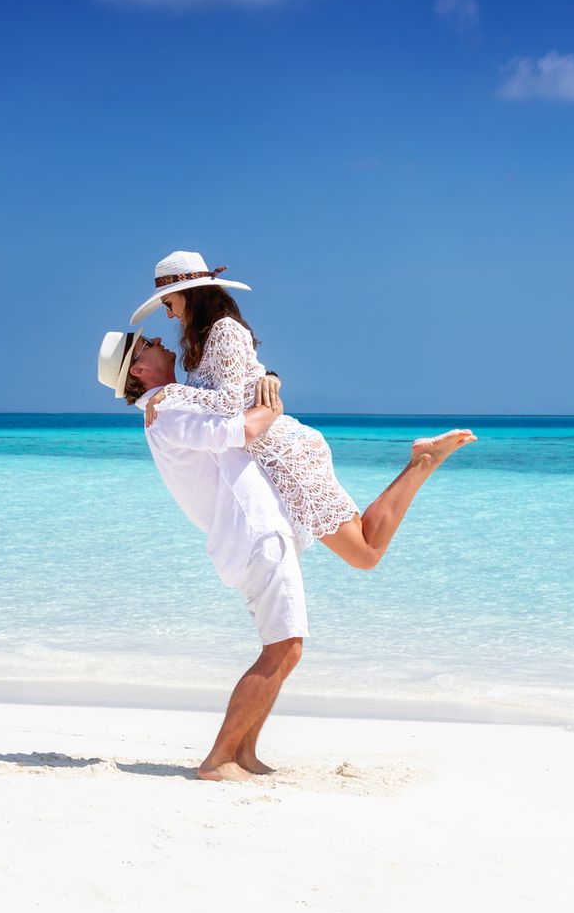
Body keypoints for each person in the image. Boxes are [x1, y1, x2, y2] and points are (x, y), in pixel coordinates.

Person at [127, 250, 474, 570]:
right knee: (362, 548)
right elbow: (246, 382)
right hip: (270, 453)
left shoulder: (225, 330)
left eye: (169, 304)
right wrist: (263, 378)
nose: (169, 314)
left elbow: (230, 404)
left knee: (365, 553)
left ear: (190, 294)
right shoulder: (205, 344)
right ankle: (422, 461)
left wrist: (172, 392)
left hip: (283, 455)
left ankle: (422, 461)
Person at [98, 327, 300, 782]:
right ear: (139, 368)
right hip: (251, 530)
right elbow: (242, 428)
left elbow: (231, 392)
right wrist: (273, 405)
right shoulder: (166, 410)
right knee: (284, 647)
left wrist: (268, 375)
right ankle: (220, 758)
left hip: (247, 531)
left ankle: (244, 753)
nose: (160, 341)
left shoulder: (173, 400)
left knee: (283, 645)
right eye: (149, 343)